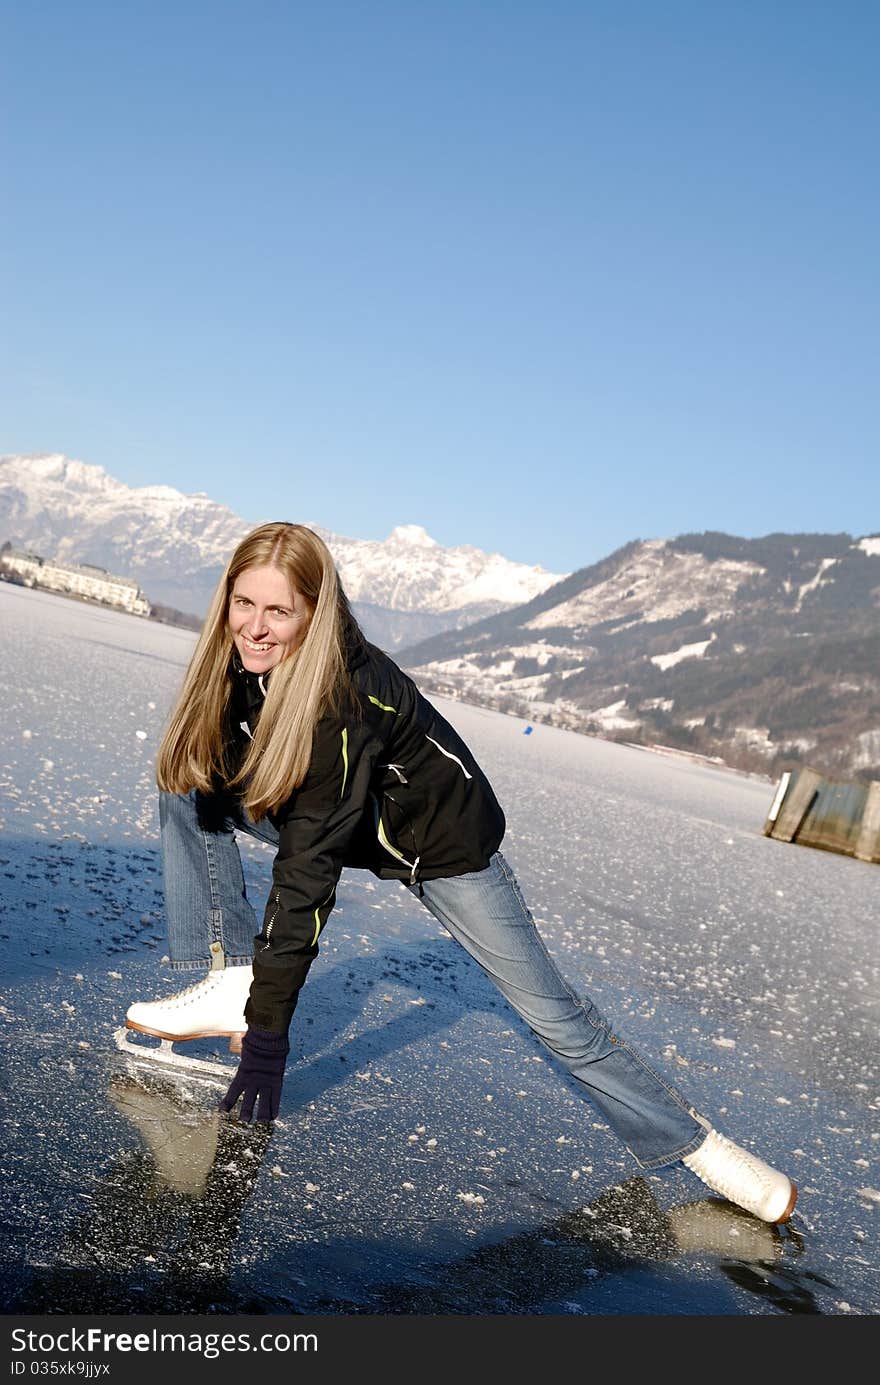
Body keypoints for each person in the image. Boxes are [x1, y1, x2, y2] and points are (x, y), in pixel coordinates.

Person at [124, 522, 797, 1225]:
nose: (256, 628)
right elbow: (289, 808)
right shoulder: (240, 661)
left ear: (313, 614)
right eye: (244, 604)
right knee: (187, 780)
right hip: (355, 818)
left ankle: (702, 1148)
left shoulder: (346, 700)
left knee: (557, 1017)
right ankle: (232, 977)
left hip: (445, 850)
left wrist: (268, 1041)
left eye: (278, 611)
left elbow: (307, 874)